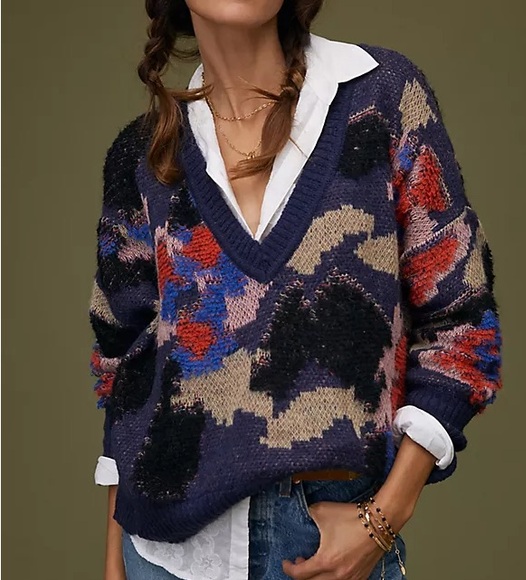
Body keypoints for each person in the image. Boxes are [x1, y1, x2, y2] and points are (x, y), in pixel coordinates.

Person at [88, 1, 503, 579]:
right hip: (163, 557)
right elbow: (122, 368)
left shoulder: (380, 97)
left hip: (324, 545)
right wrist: (114, 561)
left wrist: (385, 517)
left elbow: (463, 323)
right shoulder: (142, 158)